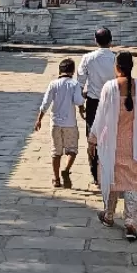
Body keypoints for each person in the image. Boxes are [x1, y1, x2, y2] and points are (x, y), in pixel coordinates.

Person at [88, 50, 137, 241]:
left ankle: (109, 214)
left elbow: (101, 118)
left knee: (111, 180)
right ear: (131, 67)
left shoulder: (110, 87)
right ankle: (131, 223)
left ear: (116, 67)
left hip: (113, 144)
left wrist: (93, 139)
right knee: (135, 185)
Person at [34, 57, 84, 188]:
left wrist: (39, 119)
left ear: (60, 70)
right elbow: (79, 101)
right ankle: (66, 170)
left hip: (55, 123)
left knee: (56, 152)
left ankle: (56, 179)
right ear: (72, 71)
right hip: (70, 123)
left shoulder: (53, 84)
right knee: (72, 150)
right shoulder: (74, 84)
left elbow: (45, 103)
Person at [77, 26, 117, 187]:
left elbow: (79, 82)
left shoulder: (88, 58)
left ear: (95, 41)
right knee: (111, 137)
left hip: (93, 102)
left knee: (92, 138)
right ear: (111, 41)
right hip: (112, 102)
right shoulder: (116, 59)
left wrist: (80, 103)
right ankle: (108, 172)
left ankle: (95, 174)